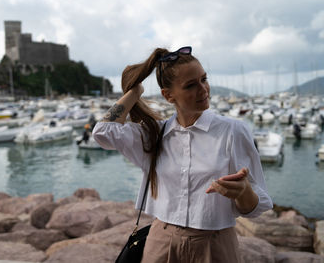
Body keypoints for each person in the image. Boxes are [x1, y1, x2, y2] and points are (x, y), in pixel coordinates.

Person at [92, 46, 273, 263]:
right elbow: (102, 132)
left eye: (204, 79)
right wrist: (134, 93)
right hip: (161, 242)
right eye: (190, 85)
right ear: (168, 95)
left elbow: (255, 207)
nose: (203, 89)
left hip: (215, 245)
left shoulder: (233, 131)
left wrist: (243, 191)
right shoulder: (155, 135)